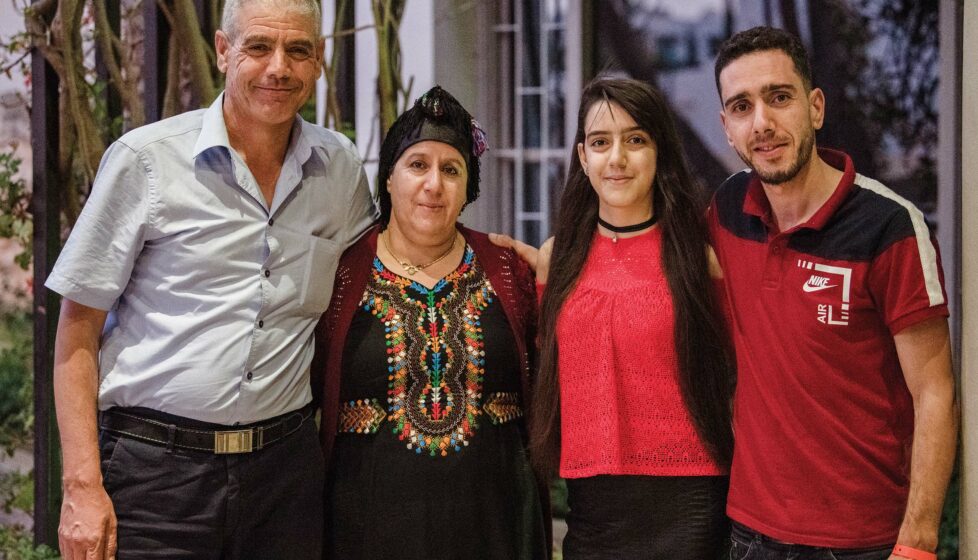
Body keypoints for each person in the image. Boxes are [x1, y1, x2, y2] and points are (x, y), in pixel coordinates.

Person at [44, 1, 375, 558]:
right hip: (155, 476)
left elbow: (387, 269)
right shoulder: (146, 161)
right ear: (223, 51)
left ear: (318, 61)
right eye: (258, 47)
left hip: (286, 477)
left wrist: (500, 255)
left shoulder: (339, 168)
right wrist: (81, 487)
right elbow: (77, 330)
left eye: (298, 50)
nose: (279, 67)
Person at [710, 26, 958, 560]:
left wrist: (917, 542)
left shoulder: (889, 227)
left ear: (815, 107)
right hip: (749, 534)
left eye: (779, 98)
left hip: (863, 544)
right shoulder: (729, 210)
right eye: (741, 106)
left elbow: (935, 394)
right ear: (727, 128)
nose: (763, 123)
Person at [312, 86, 550, 560]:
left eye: (451, 170)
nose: (433, 184)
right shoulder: (338, 275)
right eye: (417, 165)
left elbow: (555, 376)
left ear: (468, 189)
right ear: (389, 179)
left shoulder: (508, 270)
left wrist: (551, 281)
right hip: (367, 529)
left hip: (495, 527)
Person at [515, 77, 734, 559]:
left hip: (691, 503)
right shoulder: (556, 261)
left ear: (659, 153)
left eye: (635, 140)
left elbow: (741, 378)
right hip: (592, 506)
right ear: (582, 158)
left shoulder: (701, 261)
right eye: (600, 142)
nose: (616, 158)